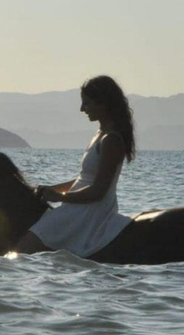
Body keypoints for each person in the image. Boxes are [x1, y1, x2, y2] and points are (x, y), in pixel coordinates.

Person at [16, 75, 136, 257]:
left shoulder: (111, 140)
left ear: (103, 103)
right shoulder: (100, 134)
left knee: (23, 248)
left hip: (91, 209)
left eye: (86, 103)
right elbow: (84, 180)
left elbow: (99, 190)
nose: (82, 109)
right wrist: (50, 190)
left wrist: (58, 197)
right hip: (79, 204)